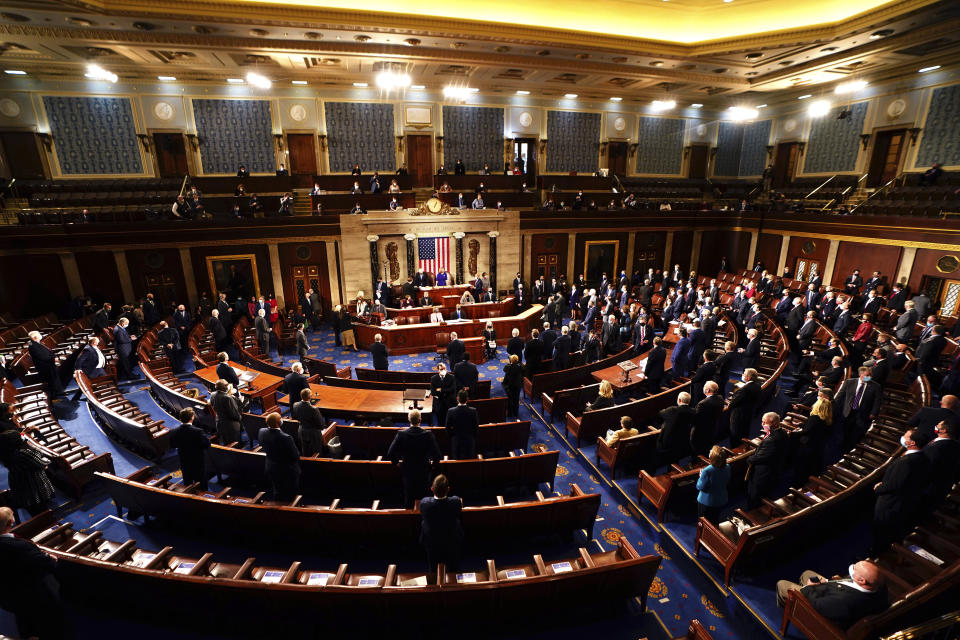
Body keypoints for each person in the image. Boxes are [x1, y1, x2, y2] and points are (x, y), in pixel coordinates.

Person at [0, 505, 64, 640]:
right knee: (48, 626)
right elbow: (44, 562)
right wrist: (49, 558)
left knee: (24, 620)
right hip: (34, 595)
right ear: (11, 523)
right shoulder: (18, 546)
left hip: (8, 595)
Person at [775, 561, 887, 630]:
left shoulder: (845, 602)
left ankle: (790, 608)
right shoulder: (879, 587)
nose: (852, 567)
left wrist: (809, 587)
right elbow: (849, 585)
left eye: (855, 569)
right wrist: (828, 581)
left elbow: (818, 605)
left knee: (782, 584)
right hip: (834, 594)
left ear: (862, 580)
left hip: (821, 607)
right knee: (807, 573)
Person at [871, 428, 931, 554]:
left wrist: (879, 488)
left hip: (890, 504)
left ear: (912, 443)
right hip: (904, 504)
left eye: (906, 436)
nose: (903, 437)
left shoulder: (906, 462)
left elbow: (895, 484)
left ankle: (876, 557)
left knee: (881, 533)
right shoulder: (924, 458)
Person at [387, 409, 442, 507]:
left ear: (409, 420)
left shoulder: (401, 434)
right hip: (424, 471)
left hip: (408, 471)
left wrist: (398, 464)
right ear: (420, 420)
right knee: (425, 499)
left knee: (408, 497)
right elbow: (437, 455)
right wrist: (432, 467)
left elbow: (390, 454)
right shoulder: (428, 434)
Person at [419, 474, 463, 575]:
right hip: (452, 539)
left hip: (431, 540)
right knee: (453, 566)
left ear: (432, 489)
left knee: (433, 566)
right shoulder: (456, 501)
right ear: (448, 489)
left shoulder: (424, 503)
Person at [746, 412, 788, 509]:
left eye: (765, 423)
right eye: (762, 422)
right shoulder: (782, 432)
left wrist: (749, 459)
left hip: (764, 474)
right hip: (774, 470)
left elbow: (761, 457)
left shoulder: (772, 440)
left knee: (756, 497)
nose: (762, 424)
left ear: (775, 424)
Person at [834, 366, 882, 450]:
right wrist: (833, 406)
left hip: (863, 413)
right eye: (867, 375)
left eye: (870, 375)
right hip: (848, 411)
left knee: (855, 432)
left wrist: (873, 413)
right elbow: (839, 396)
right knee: (843, 430)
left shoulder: (876, 386)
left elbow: (877, 402)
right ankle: (839, 446)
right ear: (860, 374)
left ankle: (849, 448)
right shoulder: (849, 382)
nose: (869, 377)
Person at [258, 412, 301, 501]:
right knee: (291, 492)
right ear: (278, 423)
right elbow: (295, 456)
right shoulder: (286, 437)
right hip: (287, 470)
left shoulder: (262, 431)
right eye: (280, 418)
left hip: (271, 466)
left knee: (277, 489)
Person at [794, 389, 833, 485]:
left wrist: (792, 434)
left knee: (802, 466)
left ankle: (798, 483)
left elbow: (807, 431)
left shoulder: (814, 418)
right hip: (817, 446)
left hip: (807, 445)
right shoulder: (827, 419)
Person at [170, 407, 211, 490]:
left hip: (184, 461)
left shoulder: (173, 431)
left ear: (180, 418)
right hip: (198, 461)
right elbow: (207, 444)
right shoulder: (198, 431)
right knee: (201, 484)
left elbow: (173, 445)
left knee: (187, 484)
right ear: (192, 418)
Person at [696, 446, 731, 524]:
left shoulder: (707, 471)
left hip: (707, 502)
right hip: (721, 499)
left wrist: (701, 476)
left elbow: (700, 487)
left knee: (703, 522)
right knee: (714, 519)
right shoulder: (728, 467)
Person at [727, 368, 761, 444]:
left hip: (738, 415)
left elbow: (734, 403)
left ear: (748, 378)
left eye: (744, 374)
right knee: (744, 432)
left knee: (735, 433)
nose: (742, 375)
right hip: (749, 413)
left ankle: (734, 449)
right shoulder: (757, 386)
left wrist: (730, 404)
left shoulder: (745, 389)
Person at [691, 381, 723, 459]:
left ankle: (695, 463)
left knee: (697, 450)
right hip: (712, 427)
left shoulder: (703, 403)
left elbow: (695, 419)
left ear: (707, 390)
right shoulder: (720, 398)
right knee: (707, 446)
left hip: (700, 431)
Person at [27, 331, 63, 397]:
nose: (41, 335)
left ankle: (59, 392)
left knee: (55, 378)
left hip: (49, 364)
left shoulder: (36, 343)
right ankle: (55, 396)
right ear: (35, 337)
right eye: (39, 334)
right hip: (45, 367)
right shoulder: (33, 346)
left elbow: (46, 353)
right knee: (51, 381)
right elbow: (42, 356)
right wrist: (53, 359)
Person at [291, 387, 326, 457]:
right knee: (317, 451)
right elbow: (320, 424)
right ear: (310, 397)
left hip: (301, 430)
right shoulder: (314, 409)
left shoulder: (295, 405)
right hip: (313, 433)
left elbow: (296, 417)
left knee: (304, 449)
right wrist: (322, 428)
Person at [445, 390, 478, 459]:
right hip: (469, 442)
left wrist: (453, 437)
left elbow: (447, 428)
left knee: (456, 463)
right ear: (467, 399)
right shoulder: (473, 411)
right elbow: (476, 428)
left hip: (456, 441)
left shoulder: (451, 411)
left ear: (457, 399)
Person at [210, 379, 243, 446]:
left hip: (219, 423)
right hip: (230, 426)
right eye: (227, 385)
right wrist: (241, 417)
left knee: (226, 443)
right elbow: (234, 415)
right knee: (235, 444)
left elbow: (214, 404)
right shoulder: (228, 398)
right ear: (224, 387)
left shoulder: (212, 394)